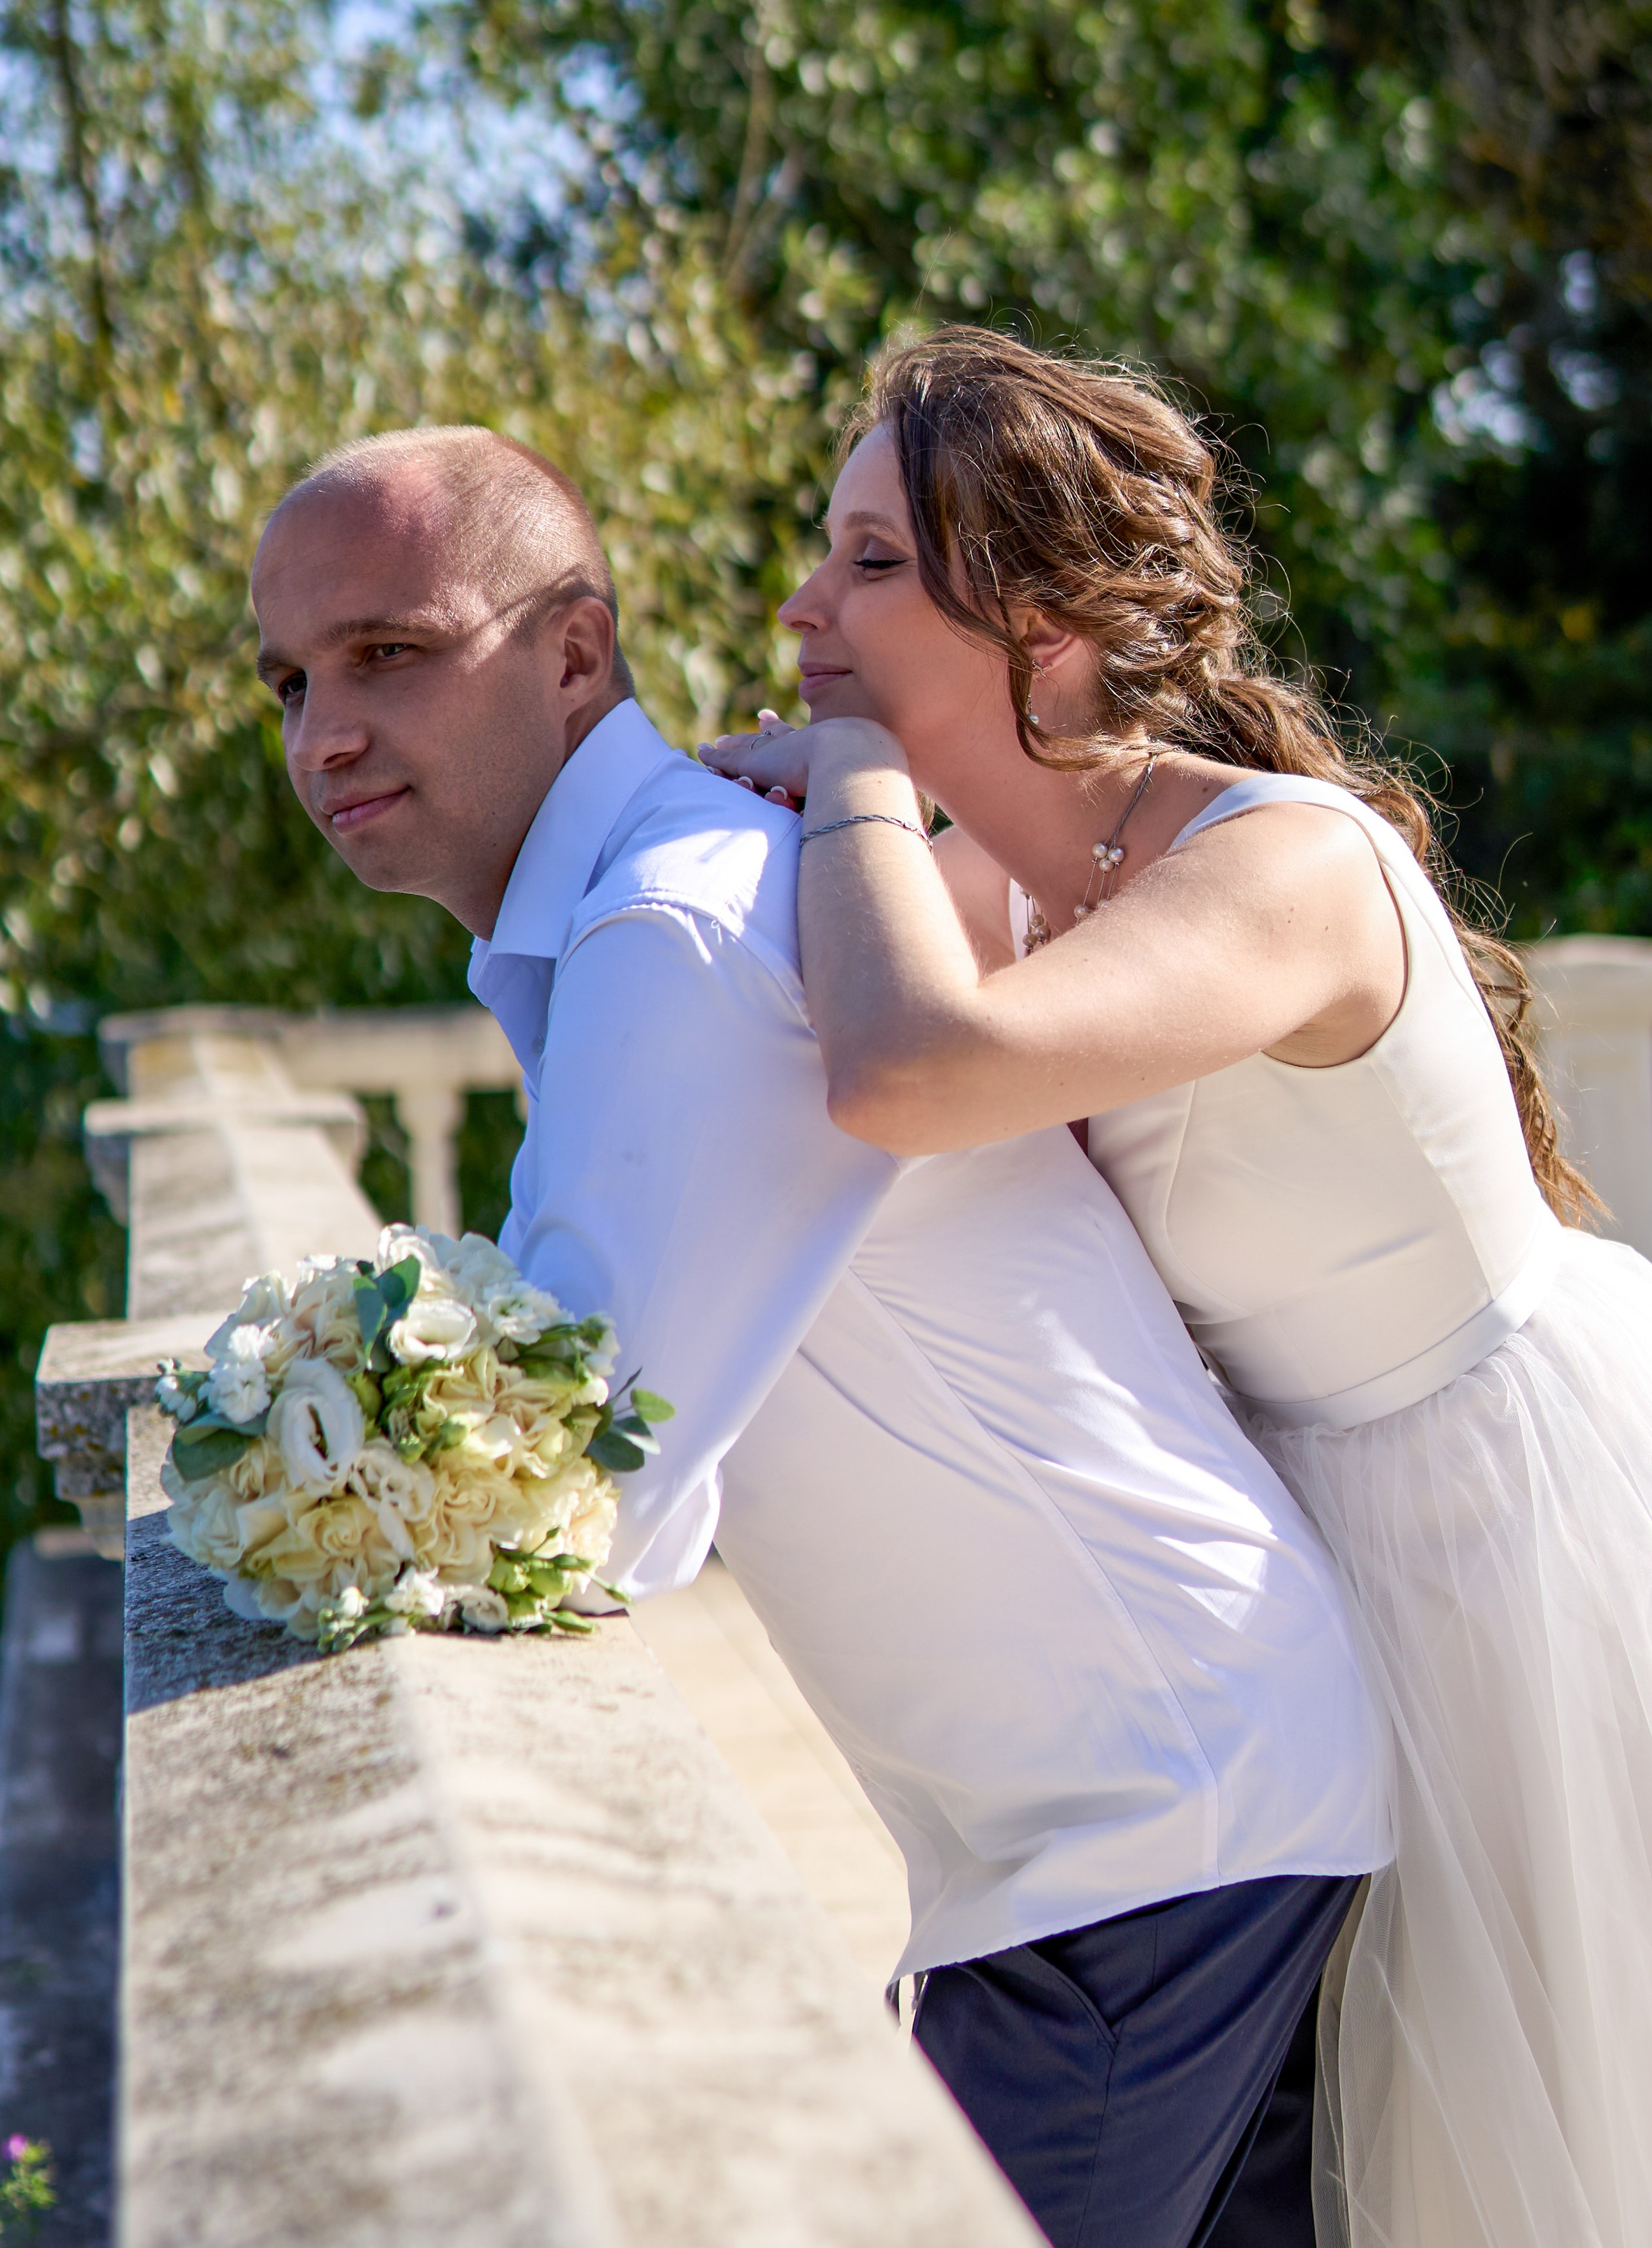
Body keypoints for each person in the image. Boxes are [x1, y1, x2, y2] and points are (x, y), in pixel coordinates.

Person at [701, 327, 1652, 2248]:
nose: (805, 606)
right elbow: (780, 1004)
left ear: (1039, 623)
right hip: (1309, 1589)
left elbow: (912, 1072)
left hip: (1527, 1554)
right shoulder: (1020, 890)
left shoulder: (1277, 870)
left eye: (872, 562)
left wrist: (854, 780)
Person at [248, 421, 1390, 2248]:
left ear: (570, 651)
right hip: (1148, 1811)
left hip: (1147, 1838)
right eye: (292, 681)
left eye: (391, 654)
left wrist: (279, 1469)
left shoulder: (674, 935)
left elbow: (587, 1491)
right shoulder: (649, 907)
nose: (325, 736)